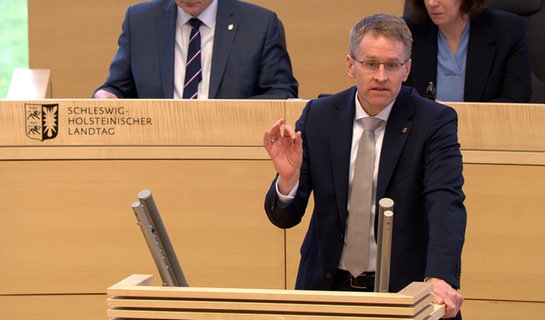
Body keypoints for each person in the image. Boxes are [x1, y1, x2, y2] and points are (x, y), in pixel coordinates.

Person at [263, 14, 466, 319]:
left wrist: (440, 277)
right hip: (326, 291)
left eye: (392, 65)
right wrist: (288, 180)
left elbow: (445, 203)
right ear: (350, 65)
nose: (381, 76)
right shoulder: (320, 116)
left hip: (403, 292)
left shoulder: (434, 123)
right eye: (371, 64)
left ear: (407, 69)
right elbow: (285, 218)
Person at [93, 0, 298, 99]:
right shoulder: (139, 21)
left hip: (231, 153)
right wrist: (106, 96)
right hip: (157, 152)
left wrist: (230, 115)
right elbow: (117, 88)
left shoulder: (259, 24)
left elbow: (282, 93)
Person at [403, 0, 531, 102]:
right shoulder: (407, 32)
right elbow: (398, 98)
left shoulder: (507, 31)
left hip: (485, 130)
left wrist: (453, 114)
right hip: (426, 132)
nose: (432, 3)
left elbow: (516, 99)